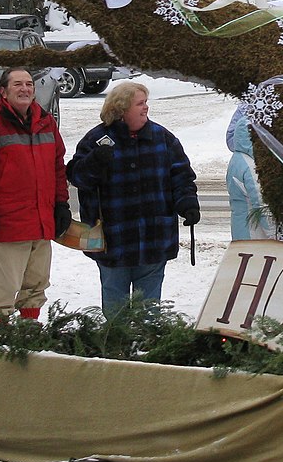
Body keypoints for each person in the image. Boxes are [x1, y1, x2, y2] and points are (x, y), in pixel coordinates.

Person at [67, 81, 200, 314]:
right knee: (115, 309)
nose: (146, 108)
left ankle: (146, 345)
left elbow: (182, 175)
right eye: (140, 103)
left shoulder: (163, 138)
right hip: (112, 241)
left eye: (146, 102)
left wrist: (187, 202)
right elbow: (77, 178)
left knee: (148, 310)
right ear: (121, 109)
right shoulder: (96, 140)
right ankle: (116, 347)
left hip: (153, 239)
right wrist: (94, 161)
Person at [0, 66, 70, 325]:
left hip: (41, 221)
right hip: (7, 224)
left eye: (29, 85)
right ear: (3, 91)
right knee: (3, 290)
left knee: (35, 287)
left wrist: (61, 203)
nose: (25, 89)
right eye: (17, 85)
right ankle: (0, 343)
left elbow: (58, 166)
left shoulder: (46, 121)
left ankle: (28, 336)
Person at [226, 109, 270, 242]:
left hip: (241, 229)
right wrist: (275, 234)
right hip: (254, 234)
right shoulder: (251, 166)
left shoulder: (237, 159)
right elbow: (261, 204)